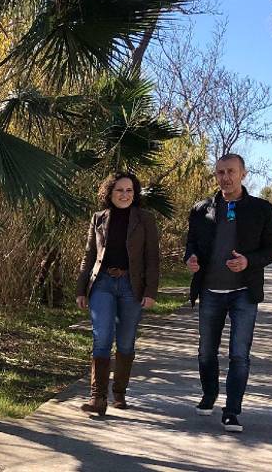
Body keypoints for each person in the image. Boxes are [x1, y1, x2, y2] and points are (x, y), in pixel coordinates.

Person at [184, 153, 272, 433]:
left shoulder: (262, 209)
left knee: (239, 355)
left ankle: (232, 411)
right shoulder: (201, 209)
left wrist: (248, 260)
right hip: (210, 291)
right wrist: (190, 258)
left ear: (243, 174)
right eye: (220, 172)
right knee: (205, 352)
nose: (225, 177)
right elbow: (191, 243)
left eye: (231, 172)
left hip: (243, 293)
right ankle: (209, 394)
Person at [76, 172, 159, 416]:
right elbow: (89, 255)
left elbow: (152, 258)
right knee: (101, 338)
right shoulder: (98, 218)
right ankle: (97, 397)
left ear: (135, 193)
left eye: (129, 190)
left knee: (125, 340)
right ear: (109, 193)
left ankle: (119, 392)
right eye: (119, 190)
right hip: (102, 284)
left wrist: (150, 291)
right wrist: (81, 289)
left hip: (131, 286)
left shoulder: (145, 219)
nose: (125, 195)